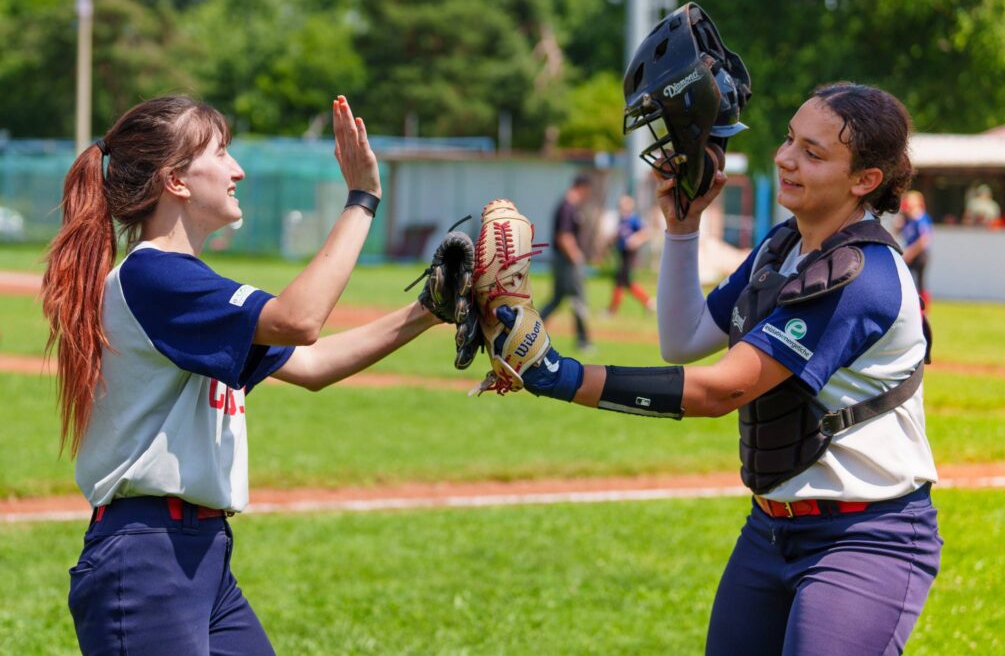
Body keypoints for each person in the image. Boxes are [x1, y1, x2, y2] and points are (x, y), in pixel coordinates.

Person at [488, 81, 940, 655]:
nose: (785, 158)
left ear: (865, 180)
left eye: (813, 152)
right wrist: (682, 229)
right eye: (789, 139)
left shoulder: (862, 276)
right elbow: (684, 340)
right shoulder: (785, 248)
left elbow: (723, 389)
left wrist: (563, 375)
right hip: (770, 528)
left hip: (867, 538)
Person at [41, 95, 447, 654]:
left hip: (200, 553)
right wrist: (362, 199)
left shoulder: (179, 281)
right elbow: (301, 321)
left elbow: (312, 365)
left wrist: (432, 307)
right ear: (176, 180)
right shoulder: (154, 276)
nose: (238, 170)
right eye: (222, 152)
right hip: (147, 561)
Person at [539, 174, 594, 352]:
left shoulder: (570, 207)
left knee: (557, 299)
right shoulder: (566, 207)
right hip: (567, 261)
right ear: (581, 188)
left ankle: (532, 329)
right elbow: (563, 236)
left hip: (564, 260)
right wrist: (576, 256)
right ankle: (583, 340)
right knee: (578, 299)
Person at [605, 194, 654, 315]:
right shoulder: (621, 220)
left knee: (620, 280)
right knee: (626, 282)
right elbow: (619, 234)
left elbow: (646, 232)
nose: (620, 206)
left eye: (623, 204)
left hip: (629, 254)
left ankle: (612, 310)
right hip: (621, 253)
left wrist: (636, 239)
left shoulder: (634, 219)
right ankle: (648, 302)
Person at [900, 189, 933, 310]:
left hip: (919, 255)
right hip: (910, 254)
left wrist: (910, 253)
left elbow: (924, 240)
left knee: (920, 283)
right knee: (905, 282)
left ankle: (923, 310)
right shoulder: (907, 219)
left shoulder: (921, 218)